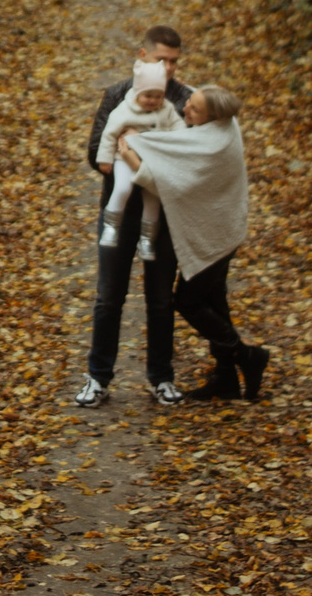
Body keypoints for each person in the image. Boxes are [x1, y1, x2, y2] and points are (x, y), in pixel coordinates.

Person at [122, 85, 271, 403]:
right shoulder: (219, 127)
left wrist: (133, 156)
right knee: (215, 302)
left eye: (194, 108)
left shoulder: (214, 143)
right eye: (189, 101)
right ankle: (227, 378)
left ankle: (247, 356)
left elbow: (175, 184)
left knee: (188, 301)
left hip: (216, 233)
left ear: (212, 117)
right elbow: (178, 148)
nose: (185, 108)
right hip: (220, 228)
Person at [76, 26, 192, 408]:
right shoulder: (117, 95)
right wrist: (124, 155)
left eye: (175, 60)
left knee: (160, 298)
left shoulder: (187, 101)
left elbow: (189, 160)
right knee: (109, 296)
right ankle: (98, 377)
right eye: (162, 59)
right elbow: (96, 151)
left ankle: (161, 377)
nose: (169, 67)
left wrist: (136, 155)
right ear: (142, 55)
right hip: (121, 208)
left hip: (166, 212)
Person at [95, 60, 184, 259]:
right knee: (123, 188)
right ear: (137, 93)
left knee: (153, 199)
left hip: (153, 163)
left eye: (158, 96)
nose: (153, 100)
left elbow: (179, 129)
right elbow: (109, 134)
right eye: (148, 95)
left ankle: (147, 239)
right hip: (124, 158)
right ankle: (111, 226)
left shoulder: (167, 110)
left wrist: (178, 138)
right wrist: (105, 159)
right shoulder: (124, 111)